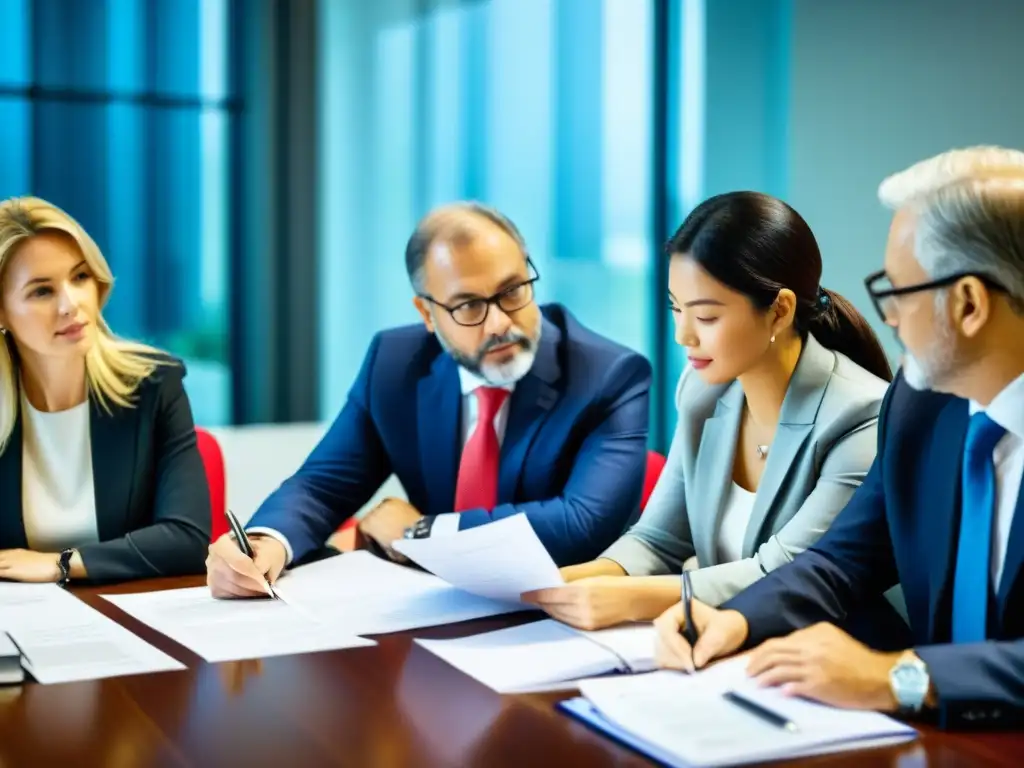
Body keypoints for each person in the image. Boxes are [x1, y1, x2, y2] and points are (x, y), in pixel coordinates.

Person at [653, 146, 1024, 728]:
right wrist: (734, 617)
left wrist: (899, 677)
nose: (889, 317)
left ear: (969, 303)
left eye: (897, 290)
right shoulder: (920, 407)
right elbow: (842, 559)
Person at [206, 202, 652, 597]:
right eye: (468, 306)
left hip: (557, 610)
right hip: (433, 606)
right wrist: (267, 542)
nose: (498, 322)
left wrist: (420, 531)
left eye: (513, 290)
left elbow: (581, 523)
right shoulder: (395, 363)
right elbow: (323, 486)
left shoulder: (608, 375)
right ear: (427, 314)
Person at [523, 191, 894, 630]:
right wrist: (567, 582)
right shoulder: (702, 392)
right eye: (675, 309)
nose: (683, 336)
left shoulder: (861, 416)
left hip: (830, 662)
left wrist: (628, 598)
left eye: (706, 317)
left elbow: (784, 576)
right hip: (723, 656)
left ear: (780, 311)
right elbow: (657, 540)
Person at [0, 197, 211, 583]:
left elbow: (188, 539)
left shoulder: (153, 385)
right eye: (42, 291)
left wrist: (60, 564)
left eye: (79, 277)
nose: (71, 304)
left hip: (130, 619)